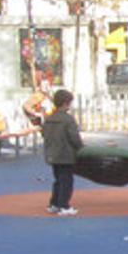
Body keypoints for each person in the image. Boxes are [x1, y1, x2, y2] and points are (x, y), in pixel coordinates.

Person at [42, 88, 84, 216]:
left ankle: (54, 204)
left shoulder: (49, 119)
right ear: (66, 103)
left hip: (53, 154)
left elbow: (44, 134)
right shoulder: (68, 119)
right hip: (66, 155)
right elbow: (74, 138)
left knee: (58, 179)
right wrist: (81, 148)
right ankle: (64, 205)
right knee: (66, 180)